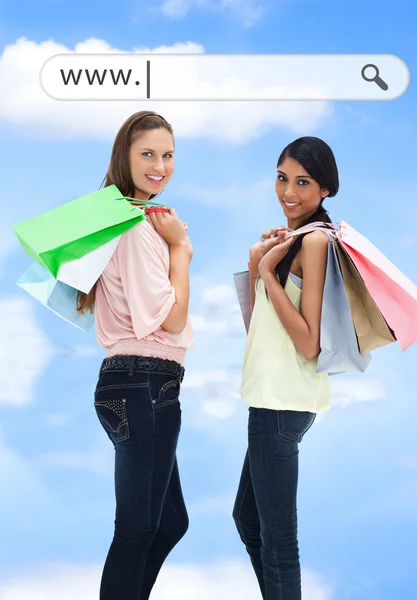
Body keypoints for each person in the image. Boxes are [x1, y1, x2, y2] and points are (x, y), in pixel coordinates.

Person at [77, 111, 193, 599]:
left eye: (167, 155)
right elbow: (168, 319)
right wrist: (181, 250)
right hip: (143, 382)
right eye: (147, 153)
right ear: (124, 156)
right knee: (137, 530)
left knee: (167, 523)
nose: (159, 165)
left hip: (139, 383)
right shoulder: (134, 226)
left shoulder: (126, 218)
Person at [232, 136, 339, 600]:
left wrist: (271, 276)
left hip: (282, 404)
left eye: (303, 182)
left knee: (278, 540)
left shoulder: (315, 241)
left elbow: (310, 344)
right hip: (269, 397)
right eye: (281, 178)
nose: (288, 192)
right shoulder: (288, 241)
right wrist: (258, 264)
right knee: (248, 520)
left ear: (325, 190)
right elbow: (259, 329)